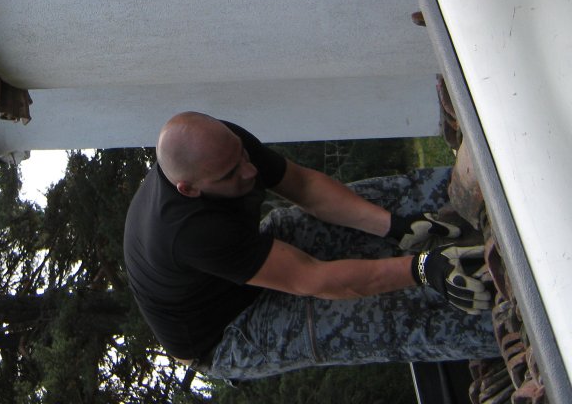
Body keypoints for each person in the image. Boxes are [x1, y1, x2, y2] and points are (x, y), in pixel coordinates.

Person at [123, 111, 497, 381]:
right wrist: (421, 269)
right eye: (231, 174)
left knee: (388, 203)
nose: (250, 172)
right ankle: (503, 312)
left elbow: (302, 186)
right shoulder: (188, 232)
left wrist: (393, 226)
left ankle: (494, 183)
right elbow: (312, 278)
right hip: (229, 330)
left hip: (249, 251)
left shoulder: (221, 144)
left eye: (242, 156)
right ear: (189, 189)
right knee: (387, 313)